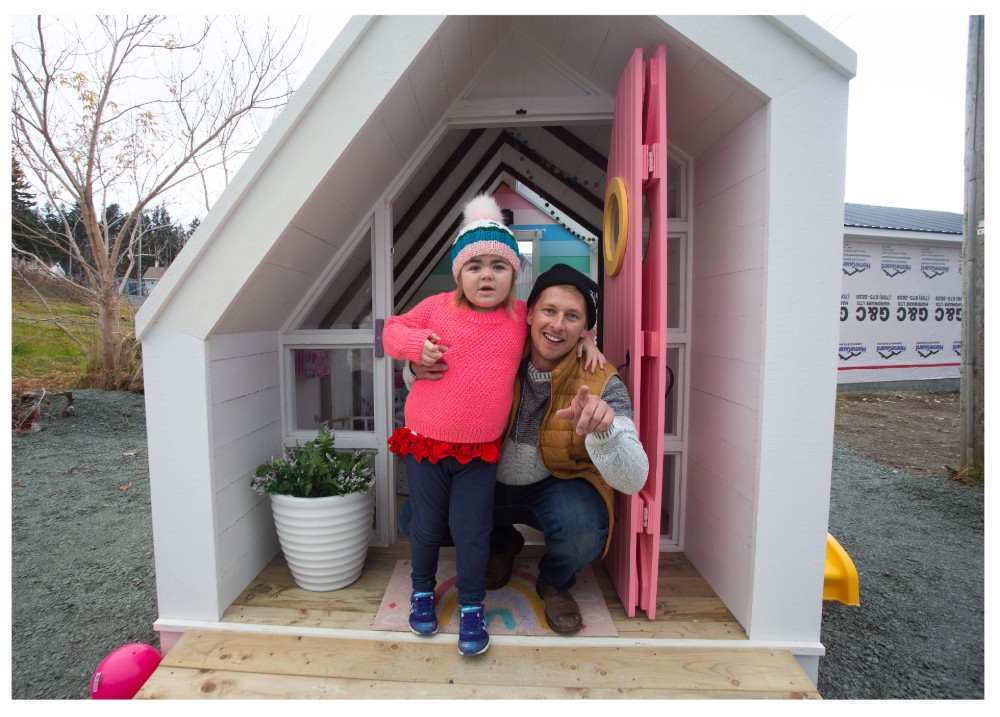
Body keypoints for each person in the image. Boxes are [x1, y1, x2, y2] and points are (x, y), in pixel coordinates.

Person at [382, 197, 604, 656]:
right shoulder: (437, 308)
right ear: (459, 272)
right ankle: (421, 591)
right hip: (425, 443)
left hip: (480, 453)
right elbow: (391, 331)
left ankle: (471, 606)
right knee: (423, 526)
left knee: (471, 531)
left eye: (499, 266)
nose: (487, 276)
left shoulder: (519, 318)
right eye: (476, 266)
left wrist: (588, 340)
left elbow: (557, 324)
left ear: (514, 275)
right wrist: (415, 348)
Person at [402, 263, 648, 634]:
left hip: (554, 484)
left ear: (586, 329)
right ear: (529, 314)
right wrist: (413, 367)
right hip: (487, 479)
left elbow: (634, 478)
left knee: (583, 527)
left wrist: (608, 431)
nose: (557, 325)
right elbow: (438, 372)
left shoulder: (599, 378)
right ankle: (501, 542)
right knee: (415, 521)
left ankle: (554, 580)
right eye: (549, 311)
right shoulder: (500, 346)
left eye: (572, 317)